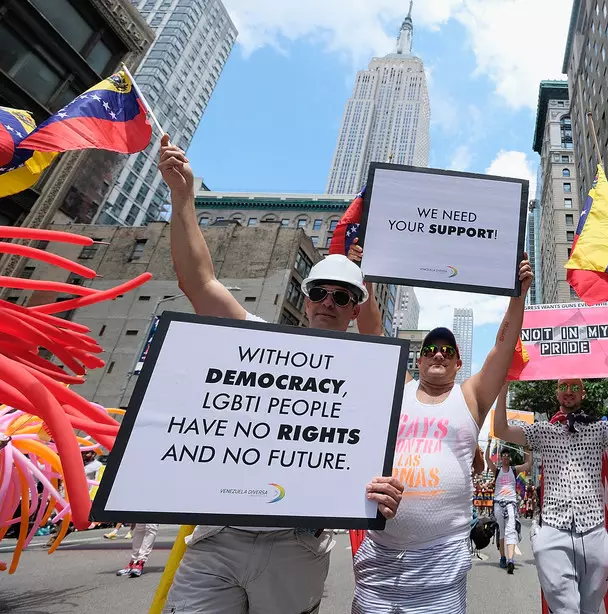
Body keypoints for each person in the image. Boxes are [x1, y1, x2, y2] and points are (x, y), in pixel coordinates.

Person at [158, 136, 404, 614]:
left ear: (356, 308)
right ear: (306, 297)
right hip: (219, 540)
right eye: (320, 292)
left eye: (343, 297)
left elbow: (377, 334)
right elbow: (200, 284)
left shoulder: (365, 366)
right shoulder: (257, 341)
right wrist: (182, 198)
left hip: (298, 545)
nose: (329, 302)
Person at [346, 246, 533, 611]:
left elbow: (503, 345)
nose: (438, 354)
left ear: (458, 362)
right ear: (418, 357)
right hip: (379, 559)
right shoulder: (396, 387)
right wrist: (362, 275)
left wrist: (517, 294)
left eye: (447, 351)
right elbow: (371, 328)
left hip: (442, 563)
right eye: (431, 348)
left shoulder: (471, 397)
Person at [494, 371, 608, 614]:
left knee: (590, 610)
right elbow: (501, 430)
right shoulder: (543, 431)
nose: (568, 391)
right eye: (563, 386)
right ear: (556, 392)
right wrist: (503, 388)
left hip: (594, 530)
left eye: (574, 387)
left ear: (583, 393)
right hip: (554, 529)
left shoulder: (600, 429)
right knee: (566, 610)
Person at [485, 429, 533, 574]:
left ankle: (511, 560)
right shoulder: (497, 471)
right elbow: (487, 459)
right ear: (501, 458)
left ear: (510, 458)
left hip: (511, 504)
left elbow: (528, 464)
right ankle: (503, 557)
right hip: (498, 504)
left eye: (507, 456)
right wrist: (488, 443)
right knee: (501, 532)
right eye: (503, 456)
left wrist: (528, 448)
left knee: (511, 530)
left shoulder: (514, 470)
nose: (505, 458)